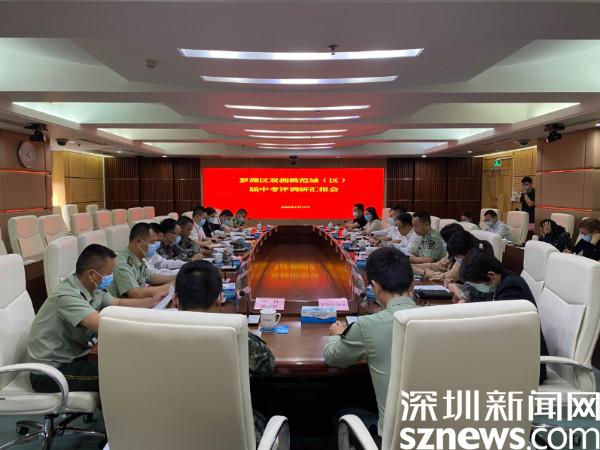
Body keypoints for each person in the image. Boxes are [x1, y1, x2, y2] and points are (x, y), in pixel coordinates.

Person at [27, 244, 160, 393]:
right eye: (109, 273)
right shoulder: (66, 296)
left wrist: (153, 302)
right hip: (50, 372)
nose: (112, 277)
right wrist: (151, 328)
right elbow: (103, 325)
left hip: (75, 358)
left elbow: (118, 303)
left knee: (124, 361)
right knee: (121, 373)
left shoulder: (93, 287)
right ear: (92, 274)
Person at [173, 260, 275, 446]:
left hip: (166, 434)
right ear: (219, 298)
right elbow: (268, 367)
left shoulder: (147, 337)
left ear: (175, 300)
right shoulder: (237, 336)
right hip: (230, 437)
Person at [324, 247, 417, 439]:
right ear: (412, 283)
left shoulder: (368, 325)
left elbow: (333, 358)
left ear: (375, 286)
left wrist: (336, 334)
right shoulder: (441, 319)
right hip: (445, 434)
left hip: (394, 440)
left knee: (342, 413)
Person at [448, 250, 548, 383]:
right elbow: (486, 305)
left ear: (491, 275)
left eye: (476, 284)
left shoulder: (512, 287)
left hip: (526, 366)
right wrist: (465, 304)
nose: (477, 288)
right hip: (508, 354)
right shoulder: (500, 281)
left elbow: (498, 327)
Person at [109, 222, 175, 298]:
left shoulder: (138, 258)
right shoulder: (123, 264)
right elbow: (135, 293)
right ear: (138, 242)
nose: (154, 246)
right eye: (152, 242)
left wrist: (176, 278)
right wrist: (170, 286)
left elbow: (151, 277)